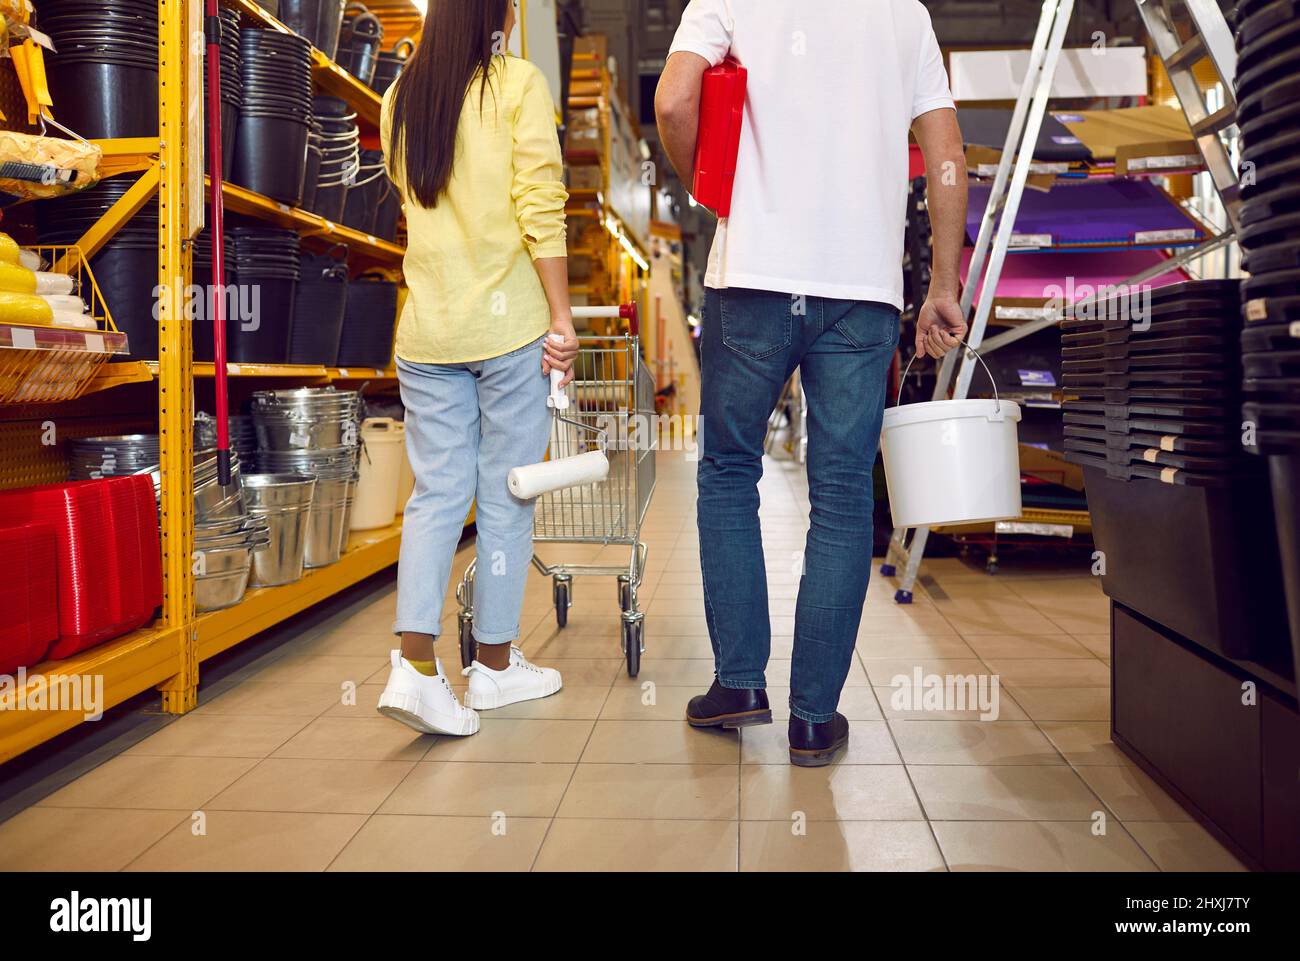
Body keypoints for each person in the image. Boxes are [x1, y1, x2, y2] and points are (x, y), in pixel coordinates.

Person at [656, 0, 969, 765]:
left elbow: (671, 99)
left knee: (729, 471)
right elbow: (947, 153)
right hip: (861, 292)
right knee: (842, 497)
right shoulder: (906, 14)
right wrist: (942, 283)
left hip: (754, 281)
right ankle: (813, 718)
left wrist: (714, 193)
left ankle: (738, 684)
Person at [374, 0, 576, 736]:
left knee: (436, 493)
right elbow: (539, 207)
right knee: (505, 494)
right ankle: (492, 666)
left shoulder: (400, 96)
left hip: (428, 328)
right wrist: (561, 313)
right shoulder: (517, 84)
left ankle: (417, 666)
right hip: (508, 324)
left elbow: (413, 202)